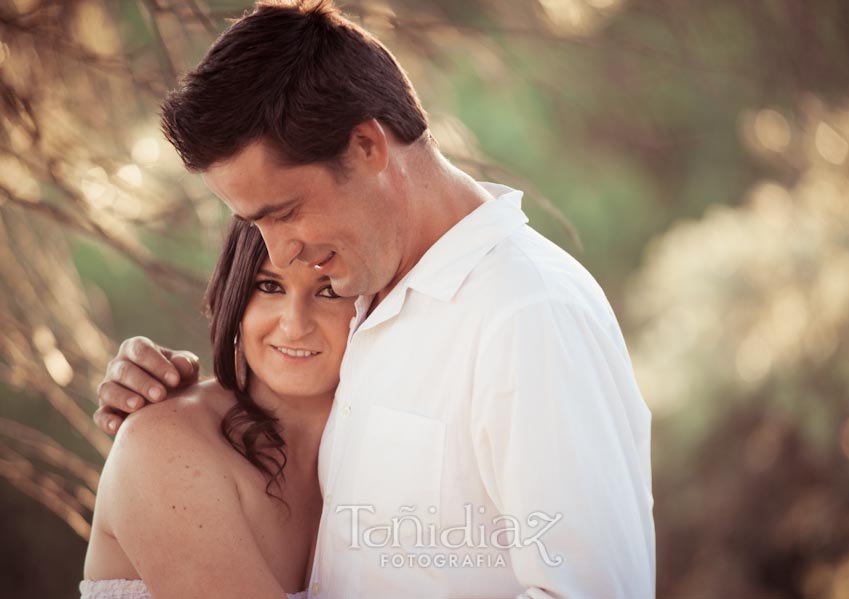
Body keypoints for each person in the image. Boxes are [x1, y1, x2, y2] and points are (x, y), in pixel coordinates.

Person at [95, 1, 656, 596]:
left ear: (366, 145)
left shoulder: (528, 312)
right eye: (255, 227)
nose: (281, 254)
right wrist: (168, 405)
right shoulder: (365, 295)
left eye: (284, 213)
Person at [82, 218, 356, 598]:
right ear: (235, 294)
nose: (294, 325)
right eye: (269, 286)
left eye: (329, 292)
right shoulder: (166, 441)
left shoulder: (380, 456)